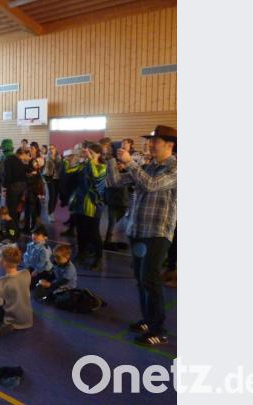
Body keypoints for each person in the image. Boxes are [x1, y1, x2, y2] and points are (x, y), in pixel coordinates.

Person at [106, 125, 177, 346]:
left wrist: (130, 162)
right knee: (140, 279)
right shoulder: (148, 166)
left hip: (157, 233)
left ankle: (159, 330)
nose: (150, 144)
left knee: (150, 279)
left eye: (155, 141)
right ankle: (148, 320)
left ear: (170, 145)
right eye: (150, 141)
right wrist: (110, 159)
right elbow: (115, 182)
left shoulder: (175, 168)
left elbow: (151, 185)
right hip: (137, 231)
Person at [65, 143, 107, 271]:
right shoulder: (84, 164)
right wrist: (70, 159)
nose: (88, 155)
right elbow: (69, 170)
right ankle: (81, 253)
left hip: (93, 205)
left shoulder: (102, 167)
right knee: (80, 231)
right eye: (88, 152)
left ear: (99, 154)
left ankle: (98, 258)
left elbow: (95, 176)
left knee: (94, 233)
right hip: (80, 202)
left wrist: (89, 160)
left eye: (92, 153)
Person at [2, 147, 27, 223]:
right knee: (18, 208)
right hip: (23, 187)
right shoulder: (20, 161)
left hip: (13, 187)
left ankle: (12, 226)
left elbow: (8, 176)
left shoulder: (7, 160)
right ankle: (16, 226)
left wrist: (4, 188)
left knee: (11, 209)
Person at [43, 144, 63, 222]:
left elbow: (60, 167)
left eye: (52, 148)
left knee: (55, 197)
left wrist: (55, 160)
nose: (51, 150)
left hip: (57, 178)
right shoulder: (47, 157)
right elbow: (45, 168)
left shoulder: (59, 157)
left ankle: (52, 212)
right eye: (49, 149)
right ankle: (50, 213)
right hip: (49, 178)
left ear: (55, 149)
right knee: (52, 195)